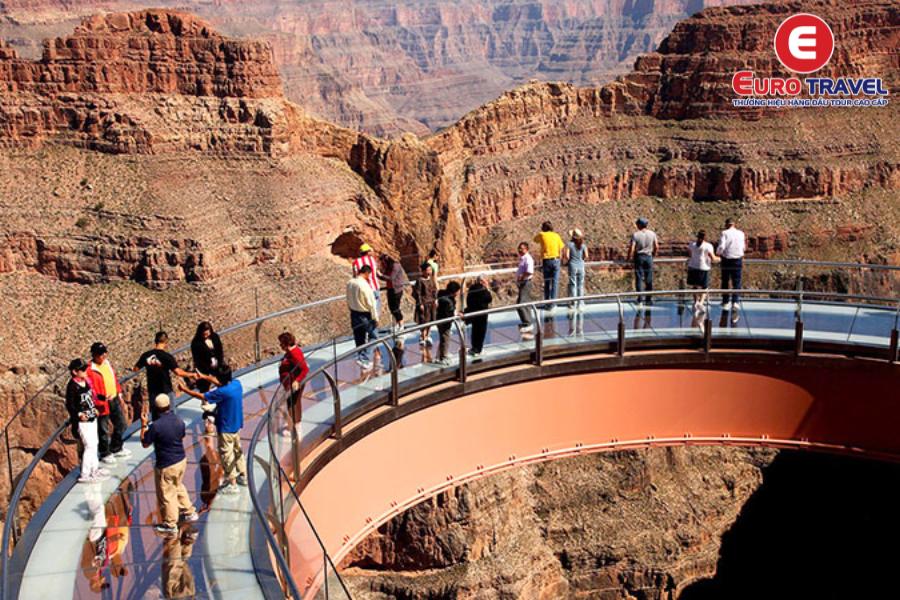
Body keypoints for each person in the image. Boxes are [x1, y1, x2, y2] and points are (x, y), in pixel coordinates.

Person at [179, 365, 246, 495]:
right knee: (238, 450)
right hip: (236, 424)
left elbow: (202, 396)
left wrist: (185, 390)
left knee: (226, 454)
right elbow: (220, 382)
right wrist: (203, 376)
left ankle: (232, 484)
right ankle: (242, 475)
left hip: (226, 428)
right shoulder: (237, 384)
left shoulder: (222, 392)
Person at [141, 393, 198, 536]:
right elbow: (182, 435)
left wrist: (143, 425)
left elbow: (145, 443)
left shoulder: (156, 426)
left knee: (168, 494)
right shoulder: (179, 420)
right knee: (178, 485)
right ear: (169, 405)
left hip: (166, 464)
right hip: (181, 459)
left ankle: (170, 524)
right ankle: (189, 511)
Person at [134, 332, 196, 420]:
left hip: (152, 390)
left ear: (155, 341)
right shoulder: (167, 357)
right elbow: (178, 372)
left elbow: (136, 368)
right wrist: (192, 374)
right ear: (166, 342)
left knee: (155, 416)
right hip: (165, 389)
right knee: (171, 414)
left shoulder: (146, 355)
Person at [66, 358, 108, 483]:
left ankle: (94, 470)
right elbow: (70, 404)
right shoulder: (72, 386)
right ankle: (85, 474)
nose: (85, 371)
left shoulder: (86, 382)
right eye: (82, 369)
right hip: (82, 422)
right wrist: (78, 414)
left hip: (92, 417)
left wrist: (96, 407)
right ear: (74, 371)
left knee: (94, 444)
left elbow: (91, 397)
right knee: (89, 445)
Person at [86, 342, 129, 465]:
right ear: (94, 355)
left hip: (114, 399)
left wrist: (119, 393)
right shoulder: (90, 369)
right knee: (103, 429)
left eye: (104, 353)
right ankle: (105, 452)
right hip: (101, 403)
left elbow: (113, 379)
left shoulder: (107, 364)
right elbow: (91, 388)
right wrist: (100, 399)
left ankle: (116, 447)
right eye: (100, 354)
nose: (103, 356)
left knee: (121, 424)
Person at [347, 264, 379, 370]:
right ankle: (364, 358)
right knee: (374, 336)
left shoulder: (350, 282)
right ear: (366, 273)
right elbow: (371, 303)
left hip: (354, 313)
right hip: (364, 315)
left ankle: (361, 358)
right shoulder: (364, 285)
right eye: (369, 275)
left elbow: (348, 298)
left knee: (359, 337)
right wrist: (375, 318)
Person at [277, 332, 309, 424]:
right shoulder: (290, 352)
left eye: (281, 343)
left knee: (293, 404)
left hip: (293, 383)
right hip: (289, 382)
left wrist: (297, 381)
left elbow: (304, 369)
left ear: (286, 343)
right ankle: (295, 424)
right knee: (293, 403)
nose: (280, 345)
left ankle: (295, 426)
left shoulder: (294, 354)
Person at [717, 217, 746, 315]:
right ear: (734, 224)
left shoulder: (724, 233)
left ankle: (725, 301)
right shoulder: (741, 233)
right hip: (738, 259)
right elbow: (743, 247)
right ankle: (735, 302)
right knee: (736, 281)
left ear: (727, 224)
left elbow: (722, 246)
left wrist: (718, 253)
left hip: (727, 260)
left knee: (725, 281)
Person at [626, 217, 659, 306]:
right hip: (649, 257)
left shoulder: (635, 235)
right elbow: (656, 246)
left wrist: (628, 258)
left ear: (640, 225)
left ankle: (640, 300)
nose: (636, 225)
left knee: (639, 278)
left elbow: (632, 248)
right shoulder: (652, 234)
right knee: (649, 279)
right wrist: (653, 255)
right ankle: (649, 299)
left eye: (637, 224)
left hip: (639, 257)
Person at [533, 221, 565, 307]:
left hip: (546, 261)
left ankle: (547, 303)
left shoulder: (542, 234)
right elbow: (561, 248)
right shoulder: (556, 235)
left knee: (547, 282)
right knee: (555, 283)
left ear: (544, 228)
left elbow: (535, 240)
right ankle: (553, 304)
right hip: (556, 260)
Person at [687, 229, 718, 313]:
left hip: (692, 266)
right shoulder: (708, 246)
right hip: (703, 267)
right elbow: (713, 258)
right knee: (704, 287)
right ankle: (701, 303)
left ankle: (695, 302)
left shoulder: (691, 244)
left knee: (695, 286)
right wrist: (720, 259)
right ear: (705, 237)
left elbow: (690, 254)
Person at [190, 322, 224, 393]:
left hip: (217, 364)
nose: (206, 336)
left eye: (207, 334)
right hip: (204, 367)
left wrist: (219, 362)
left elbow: (220, 350)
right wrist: (207, 367)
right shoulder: (196, 343)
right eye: (204, 334)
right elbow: (197, 358)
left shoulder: (215, 337)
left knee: (221, 382)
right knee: (204, 387)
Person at [379, 254, 409, 332]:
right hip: (390, 289)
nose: (382, 264)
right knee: (391, 308)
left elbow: (391, 278)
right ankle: (396, 324)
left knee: (396, 308)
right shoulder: (388, 267)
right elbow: (385, 278)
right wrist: (378, 275)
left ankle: (401, 324)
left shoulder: (396, 266)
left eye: (383, 262)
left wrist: (381, 274)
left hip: (397, 290)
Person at [464, 276, 492, 356]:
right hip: (482, 314)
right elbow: (489, 298)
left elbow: (468, 300)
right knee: (481, 332)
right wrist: (487, 289)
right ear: (481, 282)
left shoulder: (472, 288)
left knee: (475, 330)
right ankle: (478, 350)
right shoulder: (482, 289)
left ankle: (474, 348)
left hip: (474, 313)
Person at [435, 281, 462, 365]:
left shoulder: (442, 294)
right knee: (445, 338)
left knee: (443, 337)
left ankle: (441, 354)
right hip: (444, 322)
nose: (458, 293)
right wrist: (456, 314)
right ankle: (443, 357)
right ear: (453, 291)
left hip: (440, 319)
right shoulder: (448, 301)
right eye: (457, 291)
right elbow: (449, 313)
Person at [412, 262, 438, 347]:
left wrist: (435, 299)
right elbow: (418, 293)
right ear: (423, 271)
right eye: (427, 270)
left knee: (430, 320)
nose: (429, 271)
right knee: (423, 320)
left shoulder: (431, 279)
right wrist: (420, 303)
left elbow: (434, 290)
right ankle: (423, 336)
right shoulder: (419, 281)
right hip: (424, 303)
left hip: (431, 303)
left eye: (430, 270)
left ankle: (427, 335)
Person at [563, 228, 589, 310]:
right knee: (580, 284)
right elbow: (586, 256)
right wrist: (581, 259)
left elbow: (567, 256)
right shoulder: (583, 245)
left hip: (572, 266)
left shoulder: (569, 244)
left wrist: (569, 260)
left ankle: (573, 303)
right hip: (581, 266)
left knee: (573, 284)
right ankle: (580, 303)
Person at [352, 243, 381, 317]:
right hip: (375, 288)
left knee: (367, 311)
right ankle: (375, 323)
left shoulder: (356, 262)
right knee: (376, 310)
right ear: (367, 252)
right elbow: (377, 272)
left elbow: (355, 276)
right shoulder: (372, 260)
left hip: (364, 289)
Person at [515, 242, 535, 338]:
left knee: (522, 304)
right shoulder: (523, 258)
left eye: (522, 248)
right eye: (519, 248)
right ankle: (526, 322)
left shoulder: (528, 259)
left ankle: (528, 323)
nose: (519, 250)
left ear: (527, 249)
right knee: (521, 303)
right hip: (523, 283)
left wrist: (521, 277)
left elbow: (530, 271)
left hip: (526, 283)